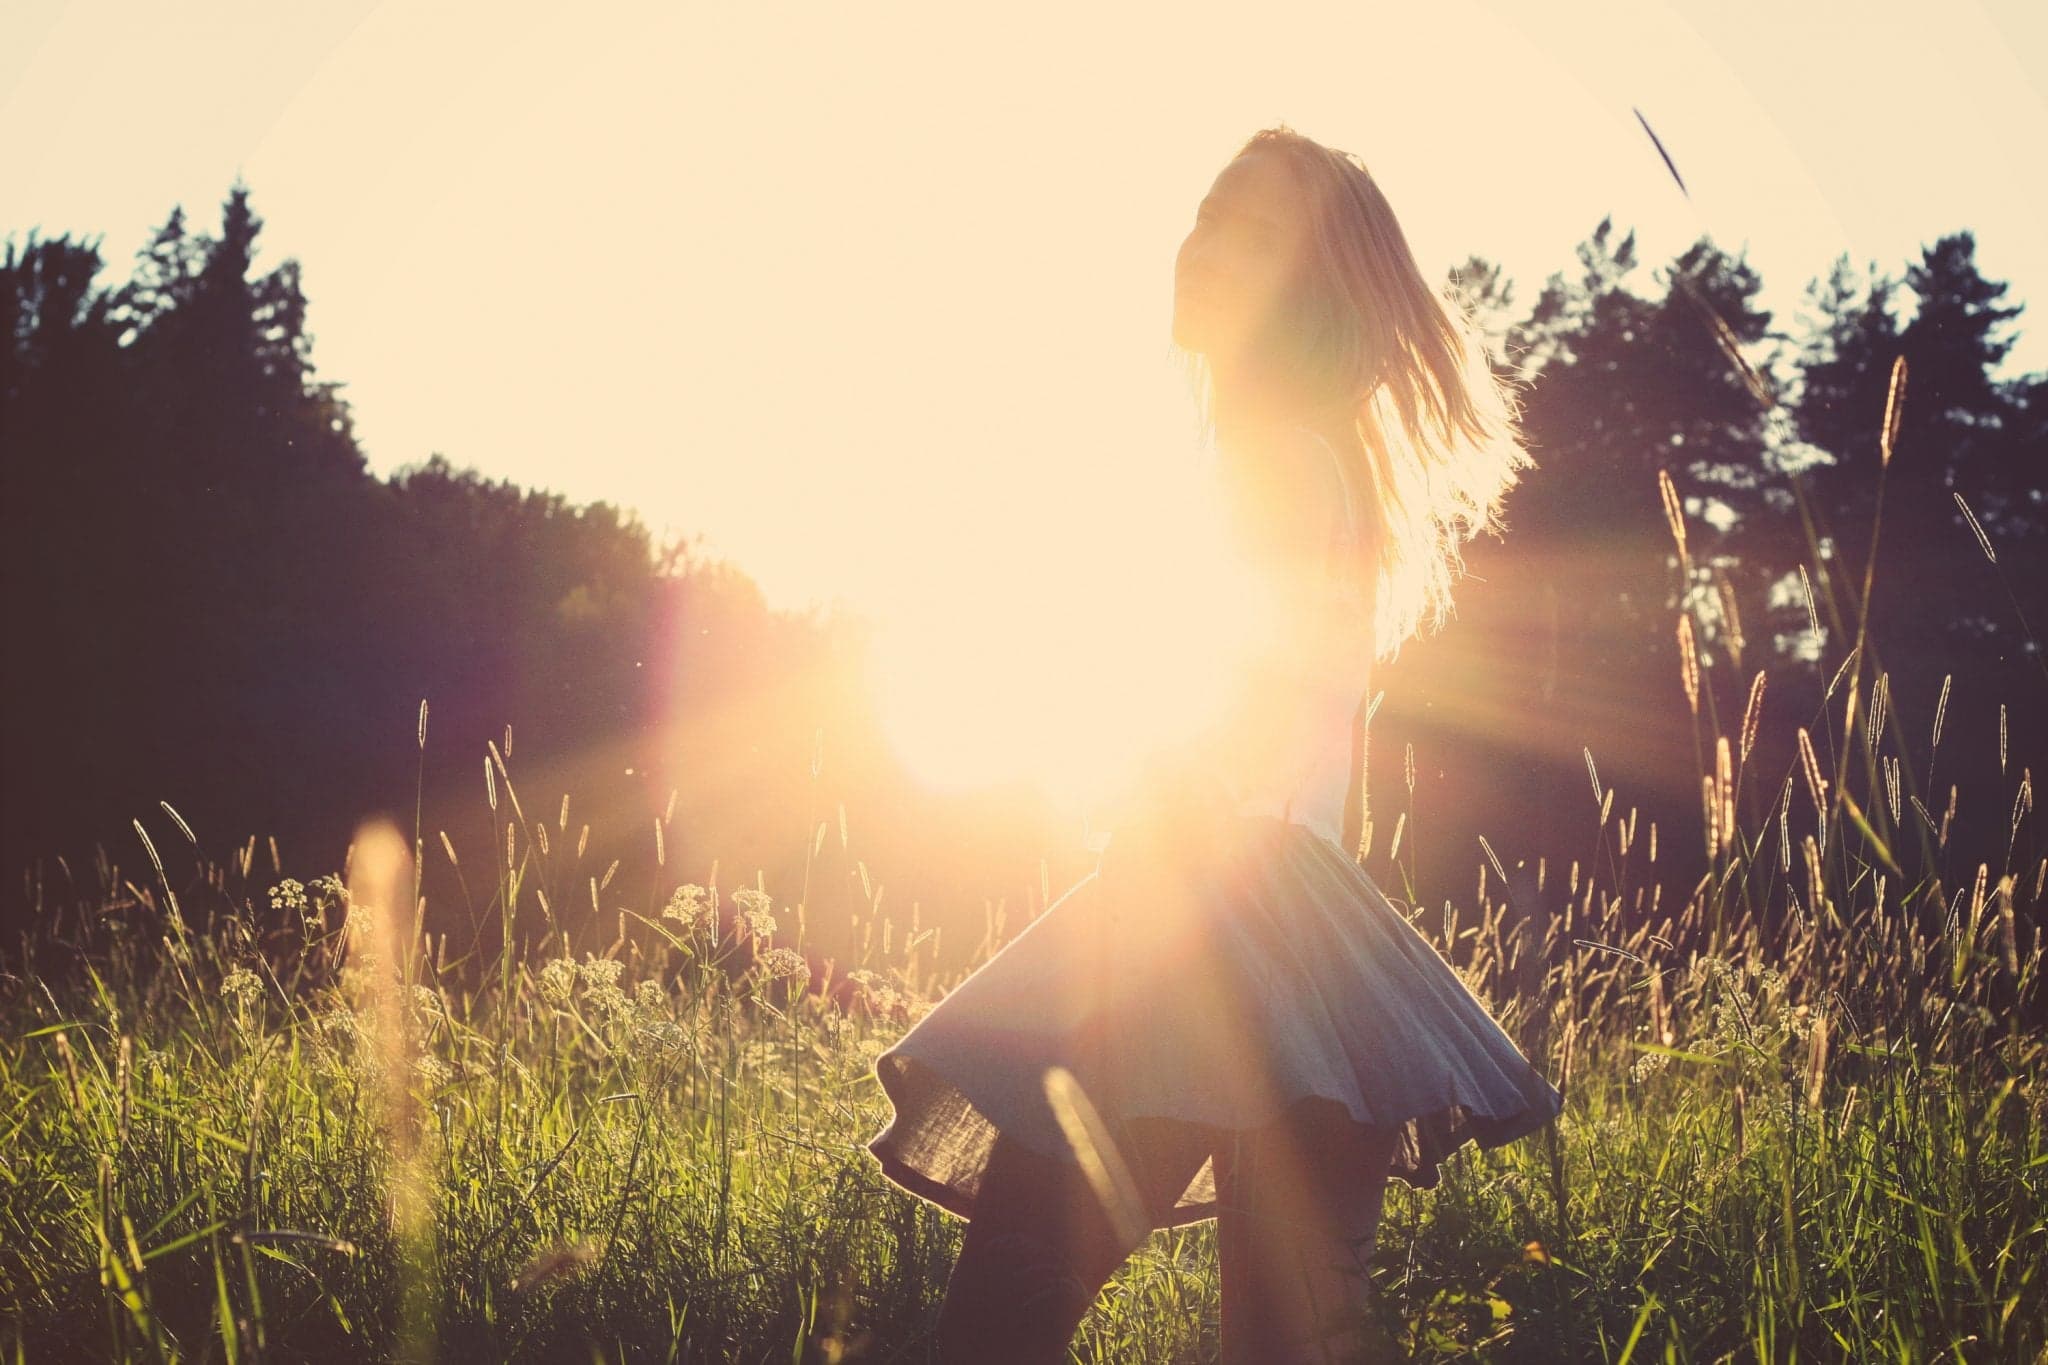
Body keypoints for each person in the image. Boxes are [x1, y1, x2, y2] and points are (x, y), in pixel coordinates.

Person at [865, 125, 1564, 1364]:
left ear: (1314, 280)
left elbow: (1225, 711)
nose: (1202, 243)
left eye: (1251, 226)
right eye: (1203, 212)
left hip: (1206, 924)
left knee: (990, 1336)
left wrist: (1132, 813)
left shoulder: (1271, 464)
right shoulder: (1303, 459)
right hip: (1316, 955)